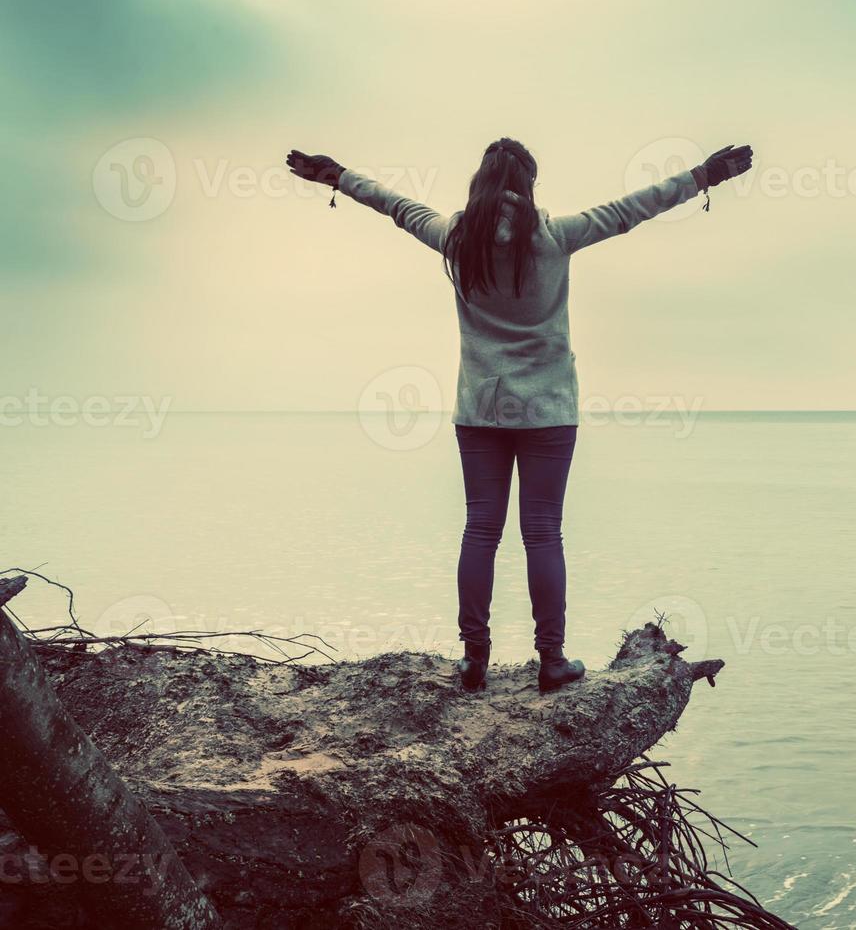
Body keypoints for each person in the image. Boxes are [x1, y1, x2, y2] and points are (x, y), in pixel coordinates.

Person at [286, 139, 754, 692]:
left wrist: (337, 176)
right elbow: (635, 207)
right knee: (542, 534)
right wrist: (704, 175)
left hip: (480, 409)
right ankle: (551, 660)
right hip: (549, 411)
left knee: (480, 531)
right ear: (529, 183)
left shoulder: (456, 239)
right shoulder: (555, 236)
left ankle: (474, 660)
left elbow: (394, 204)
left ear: (479, 181)